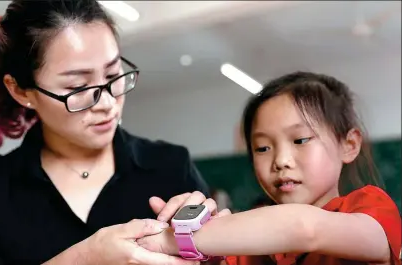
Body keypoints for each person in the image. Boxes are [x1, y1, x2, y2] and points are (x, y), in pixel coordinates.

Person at [0, 1, 213, 264]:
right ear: (21, 91)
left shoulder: (171, 165)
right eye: (78, 87)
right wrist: (85, 257)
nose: (108, 104)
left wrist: (213, 244)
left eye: (112, 74)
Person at [137, 71, 402, 265]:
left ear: (349, 144)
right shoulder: (247, 250)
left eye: (300, 140)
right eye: (263, 148)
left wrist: (176, 240)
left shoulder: (370, 209)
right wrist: (179, 237)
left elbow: (303, 228)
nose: (281, 161)